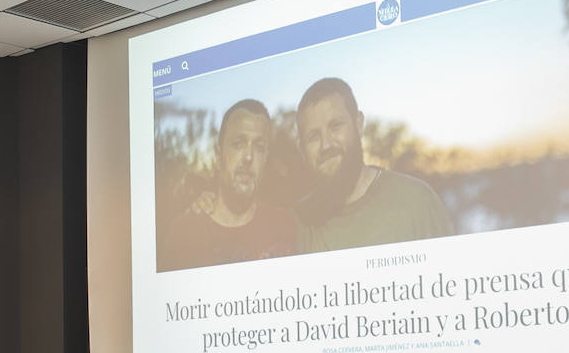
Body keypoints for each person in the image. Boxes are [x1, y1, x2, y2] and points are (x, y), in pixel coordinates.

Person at [293, 77, 453, 253]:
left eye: (335, 126)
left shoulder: (416, 201)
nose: (326, 144)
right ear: (302, 149)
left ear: (358, 124)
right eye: (313, 136)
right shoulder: (295, 224)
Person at [157, 99, 296, 271]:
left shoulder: (285, 225)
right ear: (219, 153)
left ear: (266, 158)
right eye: (238, 144)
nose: (248, 157)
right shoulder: (183, 233)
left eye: (259, 147)